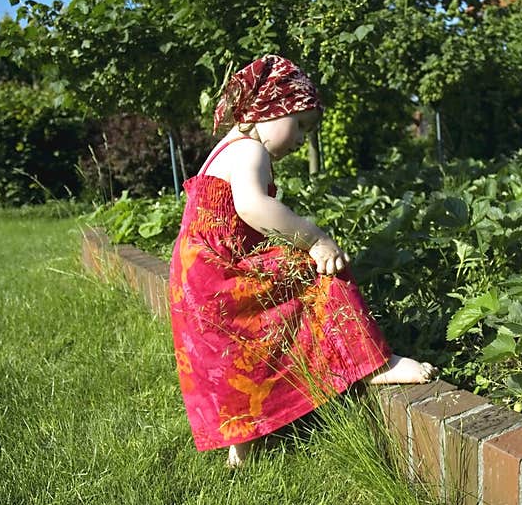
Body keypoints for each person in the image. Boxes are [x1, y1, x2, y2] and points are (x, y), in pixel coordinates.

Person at [168, 54, 437, 468]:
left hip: (196, 283)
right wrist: (315, 240)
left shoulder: (223, 150)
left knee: (238, 355)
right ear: (268, 111)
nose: (300, 140)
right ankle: (369, 364)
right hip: (224, 273)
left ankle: (242, 447)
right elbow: (254, 207)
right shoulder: (249, 152)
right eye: (299, 125)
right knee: (323, 272)